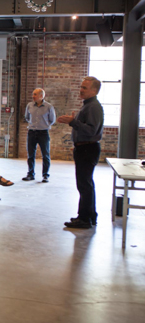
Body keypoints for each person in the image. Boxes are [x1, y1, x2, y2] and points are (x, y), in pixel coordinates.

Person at [57, 76, 104, 229]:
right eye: (81, 86)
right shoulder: (88, 106)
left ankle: (84, 219)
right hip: (84, 148)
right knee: (86, 184)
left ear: (94, 91)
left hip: (87, 149)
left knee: (84, 185)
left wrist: (73, 122)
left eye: (85, 88)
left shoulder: (93, 107)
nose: (81, 90)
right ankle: (89, 216)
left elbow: (92, 130)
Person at [23, 88, 57, 183]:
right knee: (30, 154)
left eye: (35, 94)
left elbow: (52, 120)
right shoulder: (29, 105)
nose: (33, 96)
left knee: (45, 155)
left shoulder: (49, 107)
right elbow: (27, 117)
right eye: (33, 94)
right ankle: (30, 174)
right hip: (32, 132)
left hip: (43, 133)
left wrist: (44, 125)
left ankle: (45, 175)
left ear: (41, 96)